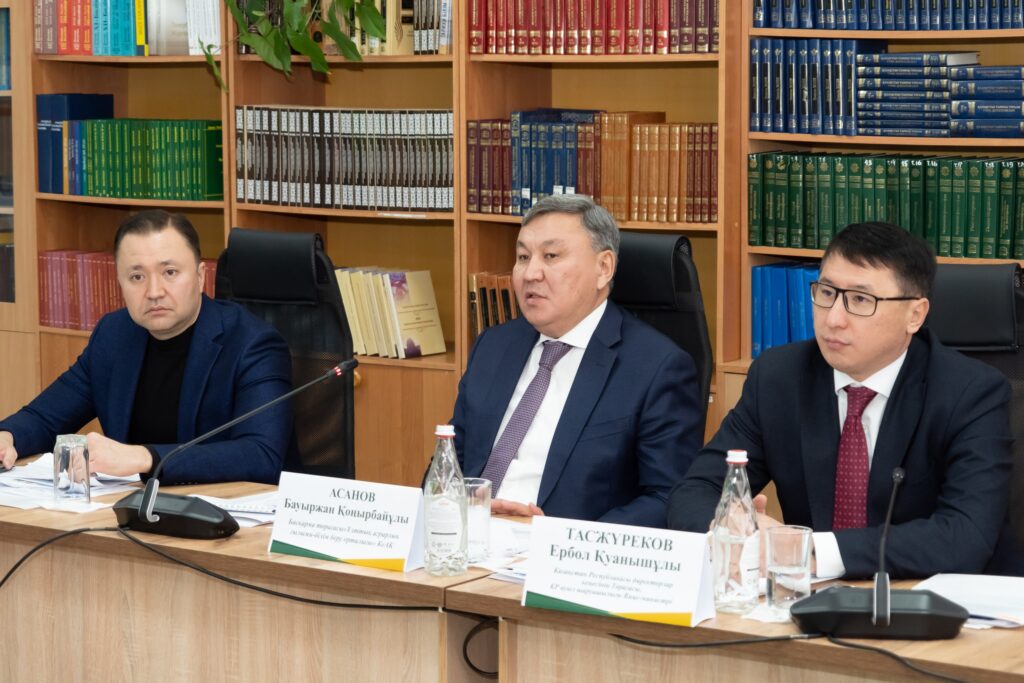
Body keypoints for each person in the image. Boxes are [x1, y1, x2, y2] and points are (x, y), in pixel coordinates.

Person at [668, 222, 1014, 578]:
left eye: (860, 300)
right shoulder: (778, 378)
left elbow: (965, 536)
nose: (833, 319)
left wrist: (808, 550)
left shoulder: (971, 393)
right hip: (806, 598)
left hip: (923, 598)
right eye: (827, 293)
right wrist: (731, 528)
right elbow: (696, 490)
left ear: (915, 315)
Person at [451, 195, 702, 528]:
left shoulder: (658, 368)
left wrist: (561, 537)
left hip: (566, 551)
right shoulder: (494, 346)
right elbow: (449, 462)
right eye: (523, 257)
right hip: (470, 538)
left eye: (551, 256)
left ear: (604, 268)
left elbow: (667, 497)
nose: (531, 273)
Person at [0, 210, 293, 484]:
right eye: (137, 277)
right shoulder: (114, 335)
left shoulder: (252, 344)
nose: (154, 292)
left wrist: (143, 458)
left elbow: (261, 454)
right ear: (120, 283)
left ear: (201, 276)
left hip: (227, 512)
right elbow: (46, 416)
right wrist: (9, 436)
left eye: (170, 272)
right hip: (133, 509)